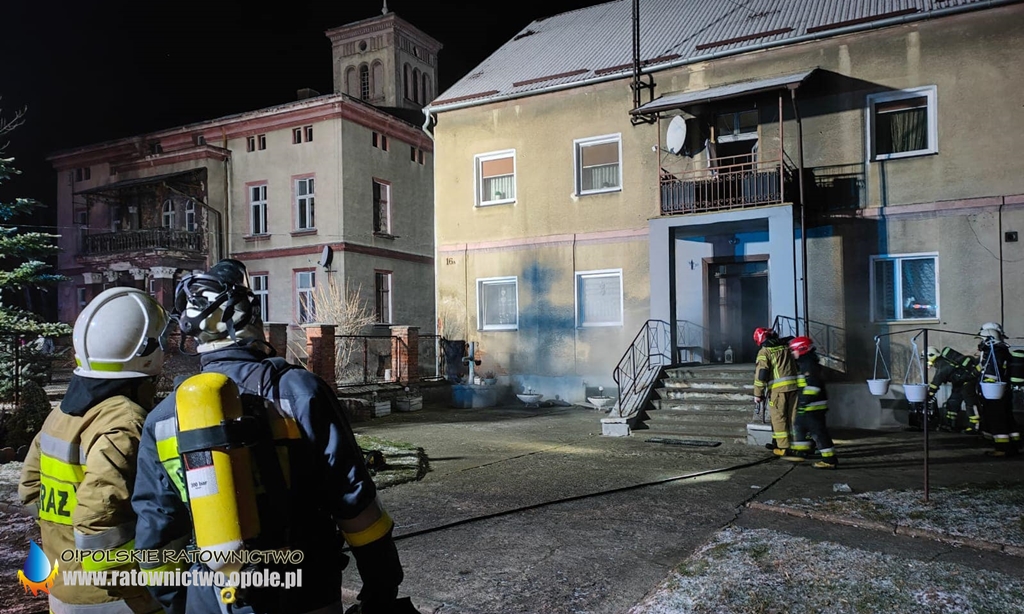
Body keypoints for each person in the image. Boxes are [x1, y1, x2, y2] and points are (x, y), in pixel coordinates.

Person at [131, 259, 409, 614]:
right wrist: (382, 583)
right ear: (251, 317)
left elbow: (157, 533)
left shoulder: (162, 418)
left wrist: (184, 603)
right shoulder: (300, 392)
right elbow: (352, 499)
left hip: (213, 599)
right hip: (306, 592)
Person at [19, 287, 167, 613]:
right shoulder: (125, 421)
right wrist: (151, 583)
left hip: (63, 589)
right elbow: (97, 521)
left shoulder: (61, 414)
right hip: (117, 599)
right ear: (145, 351)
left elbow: (30, 491)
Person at [787, 336, 838, 469]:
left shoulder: (809, 365)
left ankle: (829, 460)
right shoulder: (806, 363)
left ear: (802, 349)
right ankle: (802, 452)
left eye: (794, 350)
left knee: (818, 433)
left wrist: (804, 402)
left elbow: (813, 387)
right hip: (810, 406)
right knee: (800, 426)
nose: (793, 353)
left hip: (813, 406)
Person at [752, 327, 799, 456]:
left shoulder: (765, 351)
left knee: (779, 418)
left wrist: (758, 394)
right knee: (794, 418)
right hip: (795, 388)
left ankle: (783, 447)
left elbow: (761, 374)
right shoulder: (787, 347)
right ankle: (797, 445)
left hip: (778, 391)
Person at [975, 322, 1020, 457]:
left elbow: (990, 371)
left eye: (982, 339)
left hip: (993, 392)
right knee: (1007, 418)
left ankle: (1002, 448)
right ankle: (1013, 445)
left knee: (997, 419)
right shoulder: (1001, 350)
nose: (980, 343)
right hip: (1002, 390)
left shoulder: (994, 351)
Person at [926, 346, 980, 433]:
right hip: (959, 383)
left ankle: (974, 427)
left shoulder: (942, 365)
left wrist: (929, 394)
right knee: (953, 402)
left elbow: (936, 382)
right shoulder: (941, 363)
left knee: (970, 403)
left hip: (967, 382)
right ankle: (950, 425)